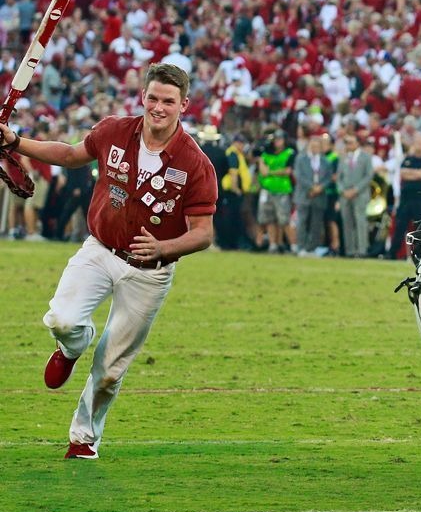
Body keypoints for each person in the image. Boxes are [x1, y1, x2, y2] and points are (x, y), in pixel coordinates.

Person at [0, 63, 218, 459]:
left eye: (168, 101)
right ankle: (71, 347)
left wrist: (164, 249)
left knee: (110, 371)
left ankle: (83, 439)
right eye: (152, 98)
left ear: (183, 105)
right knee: (62, 319)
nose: (158, 107)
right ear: (142, 96)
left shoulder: (196, 163)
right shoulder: (114, 130)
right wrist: (15, 142)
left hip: (150, 274)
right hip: (100, 250)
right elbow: (68, 155)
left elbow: (204, 233)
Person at [293, 131, 334, 256]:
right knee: (302, 221)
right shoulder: (301, 159)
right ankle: (301, 247)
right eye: (313, 145)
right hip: (304, 194)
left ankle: (312, 248)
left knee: (316, 223)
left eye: (318, 146)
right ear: (309, 145)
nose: (315, 148)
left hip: (320, 195)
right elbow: (298, 175)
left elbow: (328, 177)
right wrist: (311, 187)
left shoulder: (326, 161)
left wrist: (320, 188)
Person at [336, 132, 376, 259]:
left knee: (360, 222)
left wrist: (356, 189)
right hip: (345, 195)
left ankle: (362, 250)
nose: (348, 145)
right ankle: (350, 250)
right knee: (347, 222)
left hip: (360, 194)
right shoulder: (343, 157)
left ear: (357, 143)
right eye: (346, 142)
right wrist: (343, 190)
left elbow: (369, 176)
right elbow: (338, 178)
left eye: (350, 142)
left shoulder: (365, 157)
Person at [257, 132, 295, 252]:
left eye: (280, 139)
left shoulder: (289, 153)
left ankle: (293, 245)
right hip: (267, 189)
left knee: (284, 219)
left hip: (282, 190)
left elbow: (288, 171)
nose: (277, 142)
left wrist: (271, 172)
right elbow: (262, 170)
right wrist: (278, 171)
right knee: (269, 218)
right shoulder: (266, 154)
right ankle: (273, 245)